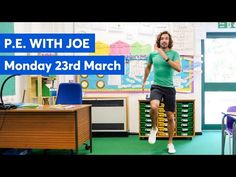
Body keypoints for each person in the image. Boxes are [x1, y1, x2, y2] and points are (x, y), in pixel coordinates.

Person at [142, 31, 181, 154]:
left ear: (169, 41)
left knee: (170, 117)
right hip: (156, 86)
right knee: (153, 106)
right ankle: (154, 128)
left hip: (169, 88)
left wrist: (164, 55)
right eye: (162, 38)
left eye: (166, 38)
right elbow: (148, 67)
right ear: (159, 41)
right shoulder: (152, 54)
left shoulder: (174, 54)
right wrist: (143, 81)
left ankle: (170, 143)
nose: (164, 40)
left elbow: (178, 68)